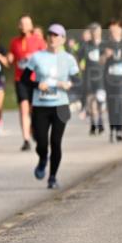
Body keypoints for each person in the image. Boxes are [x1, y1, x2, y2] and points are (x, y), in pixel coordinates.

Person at [24, 24, 80, 189]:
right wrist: (37, 84)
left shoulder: (69, 59)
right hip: (40, 105)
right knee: (41, 143)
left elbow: (78, 81)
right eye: (50, 35)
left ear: (63, 39)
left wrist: (68, 84)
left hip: (61, 105)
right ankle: (42, 159)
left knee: (56, 142)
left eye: (56, 35)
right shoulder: (37, 57)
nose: (53, 38)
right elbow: (25, 79)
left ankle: (53, 177)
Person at [8, 15, 47, 151]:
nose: (24, 26)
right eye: (22, 23)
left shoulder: (39, 41)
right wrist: (9, 58)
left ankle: (35, 131)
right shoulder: (14, 42)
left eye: (27, 23)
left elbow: (47, 58)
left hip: (35, 79)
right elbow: (12, 58)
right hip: (21, 80)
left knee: (34, 110)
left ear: (31, 26)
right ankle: (26, 140)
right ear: (19, 26)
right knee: (23, 108)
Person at [102, 20, 122, 142]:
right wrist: (106, 55)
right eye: (111, 30)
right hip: (109, 80)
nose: (113, 32)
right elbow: (100, 62)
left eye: (115, 29)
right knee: (111, 104)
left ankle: (119, 131)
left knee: (120, 104)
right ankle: (112, 130)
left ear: (121, 30)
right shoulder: (105, 44)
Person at [81, 24, 105, 135]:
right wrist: (80, 65)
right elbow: (78, 57)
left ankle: (100, 120)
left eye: (97, 32)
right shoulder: (86, 45)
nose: (95, 34)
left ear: (100, 33)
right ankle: (93, 123)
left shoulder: (104, 45)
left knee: (100, 100)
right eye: (93, 32)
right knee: (91, 100)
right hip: (89, 77)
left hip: (101, 77)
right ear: (91, 33)